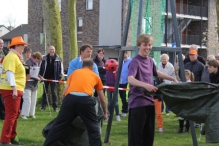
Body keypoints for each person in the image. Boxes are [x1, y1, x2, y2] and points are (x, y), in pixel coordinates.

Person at [43, 58, 108, 146]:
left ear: (82, 66)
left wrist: (65, 105)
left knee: (58, 125)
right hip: (85, 100)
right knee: (93, 128)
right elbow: (102, 99)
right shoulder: (95, 76)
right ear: (92, 67)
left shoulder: (74, 73)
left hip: (70, 98)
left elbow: (64, 93)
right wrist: (105, 113)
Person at [128, 34, 177, 146]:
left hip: (150, 102)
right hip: (138, 103)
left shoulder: (150, 60)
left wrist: (172, 78)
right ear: (139, 46)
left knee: (148, 137)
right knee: (136, 138)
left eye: (149, 45)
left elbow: (156, 73)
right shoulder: (135, 61)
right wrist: (145, 85)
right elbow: (130, 79)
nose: (147, 47)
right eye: (145, 45)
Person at [0, 36, 30, 145]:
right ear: (16, 46)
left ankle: (11, 137)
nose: (23, 47)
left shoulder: (15, 56)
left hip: (15, 89)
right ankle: (5, 140)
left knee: (15, 114)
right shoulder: (12, 57)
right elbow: (9, 72)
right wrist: (14, 88)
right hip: (11, 89)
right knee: (11, 115)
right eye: (22, 45)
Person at [39, 46, 63, 112]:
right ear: (48, 50)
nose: (52, 51)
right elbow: (40, 67)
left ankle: (55, 107)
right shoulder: (44, 58)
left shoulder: (58, 58)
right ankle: (43, 107)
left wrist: (59, 77)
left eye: (53, 49)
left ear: (54, 50)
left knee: (54, 92)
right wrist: (40, 76)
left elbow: (61, 68)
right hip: (45, 78)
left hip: (54, 78)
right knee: (45, 93)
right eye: (50, 49)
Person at [184, 49, 204, 128]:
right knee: (188, 105)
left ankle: (198, 122)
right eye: (190, 55)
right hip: (187, 88)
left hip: (197, 88)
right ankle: (188, 122)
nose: (192, 56)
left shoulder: (201, 65)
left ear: (197, 55)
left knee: (197, 105)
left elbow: (203, 77)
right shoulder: (186, 65)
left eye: (193, 55)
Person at [21, 52, 43, 119]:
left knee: (34, 100)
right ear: (36, 58)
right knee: (27, 99)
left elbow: (37, 73)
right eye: (39, 60)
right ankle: (24, 114)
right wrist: (35, 77)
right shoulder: (28, 62)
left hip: (34, 84)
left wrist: (40, 76)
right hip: (28, 84)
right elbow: (27, 73)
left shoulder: (36, 63)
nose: (39, 61)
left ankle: (32, 113)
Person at [177, 69, 194, 134]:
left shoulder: (190, 84)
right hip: (182, 101)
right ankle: (180, 128)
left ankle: (187, 129)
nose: (183, 77)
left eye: (185, 76)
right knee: (181, 115)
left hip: (188, 102)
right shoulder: (180, 83)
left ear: (189, 76)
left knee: (187, 116)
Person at [119, 51, 131, 117]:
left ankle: (125, 111)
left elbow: (131, 71)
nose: (123, 55)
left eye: (124, 53)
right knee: (121, 96)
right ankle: (126, 109)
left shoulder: (131, 61)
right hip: (120, 82)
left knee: (125, 97)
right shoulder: (120, 61)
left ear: (127, 53)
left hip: (127, 82)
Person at [0, 39, 8, 121]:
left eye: (2, 43)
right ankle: (2, 114)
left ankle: (3, 114)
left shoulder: (6, 51)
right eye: (0, 43)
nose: (1, 45)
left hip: (4, 75)